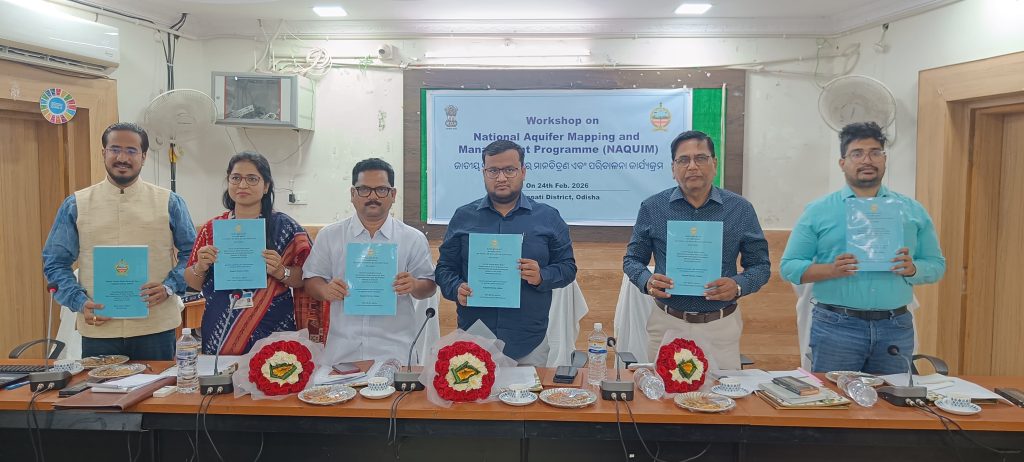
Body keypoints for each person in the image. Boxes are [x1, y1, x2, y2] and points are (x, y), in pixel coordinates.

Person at [781, 121, 945, 374]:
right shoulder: (818, 211)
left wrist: (913, 269)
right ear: (842, 163)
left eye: (875, 152)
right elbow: (789, 267)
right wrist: (832, 270)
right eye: (857, 153)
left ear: (884, 159)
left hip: (895, 327)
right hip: (837, 326)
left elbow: (936, 265)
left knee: (893, 398)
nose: (867, 160)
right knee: (836, 398)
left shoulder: (912, 211)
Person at [42, 122, 196, 360]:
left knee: (158, 386)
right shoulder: (76, 204)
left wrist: (169, 287)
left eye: (131, 151)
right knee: (100, 386)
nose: (122, 158)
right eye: (115, 149)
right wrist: (79, 301)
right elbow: (55, 262)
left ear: (143, 157)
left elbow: (192, 254)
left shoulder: (169, 202)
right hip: (99, 329)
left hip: (155, 328)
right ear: (103, 153)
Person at [623, 130, 770, 370]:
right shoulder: (653, 207)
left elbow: (760, 266)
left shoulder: (740, 209)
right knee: (665, 392)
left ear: (715, 164)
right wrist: (647, 281)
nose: (692, 166)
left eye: (700, 158)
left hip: (720, 326)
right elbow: (632, 260)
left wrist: (738, 285)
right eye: (683, 160)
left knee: (722, 391)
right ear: (673, 168)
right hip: (667, 323)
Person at [436, 140, 577, 366]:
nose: (501, 178)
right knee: (472, 390)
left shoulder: (548, 217)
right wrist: (456, 288)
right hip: (474, 339)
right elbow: (444, 269)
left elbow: (568, 268)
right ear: (484, 173)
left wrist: (542, 276)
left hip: (529, 342)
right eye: (493, 170)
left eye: (509, 170)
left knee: (530, 391)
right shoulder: (463, 217)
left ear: (523, 172)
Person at [303, 158, 437, 364]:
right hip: (342, 349)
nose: (373, 196)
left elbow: (429, 286)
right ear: (353, 194)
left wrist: (414, 285)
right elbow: (311, 279)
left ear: (393, 195)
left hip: (396, 350)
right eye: (364, 189)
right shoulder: (330, 235)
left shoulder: (412, 238)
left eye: (381, 190)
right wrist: (325, 290)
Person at [184, 152, 310, 355]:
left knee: (273, 371)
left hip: (273, 324)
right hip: (221, 327)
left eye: (252, 179)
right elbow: (193, 283)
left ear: (266, 186)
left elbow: (306, 277)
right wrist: (200, 266)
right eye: (236, 178)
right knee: (222, 374)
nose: (242, 185)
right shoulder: (212, 228)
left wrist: (281, 271)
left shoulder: (285, 227)